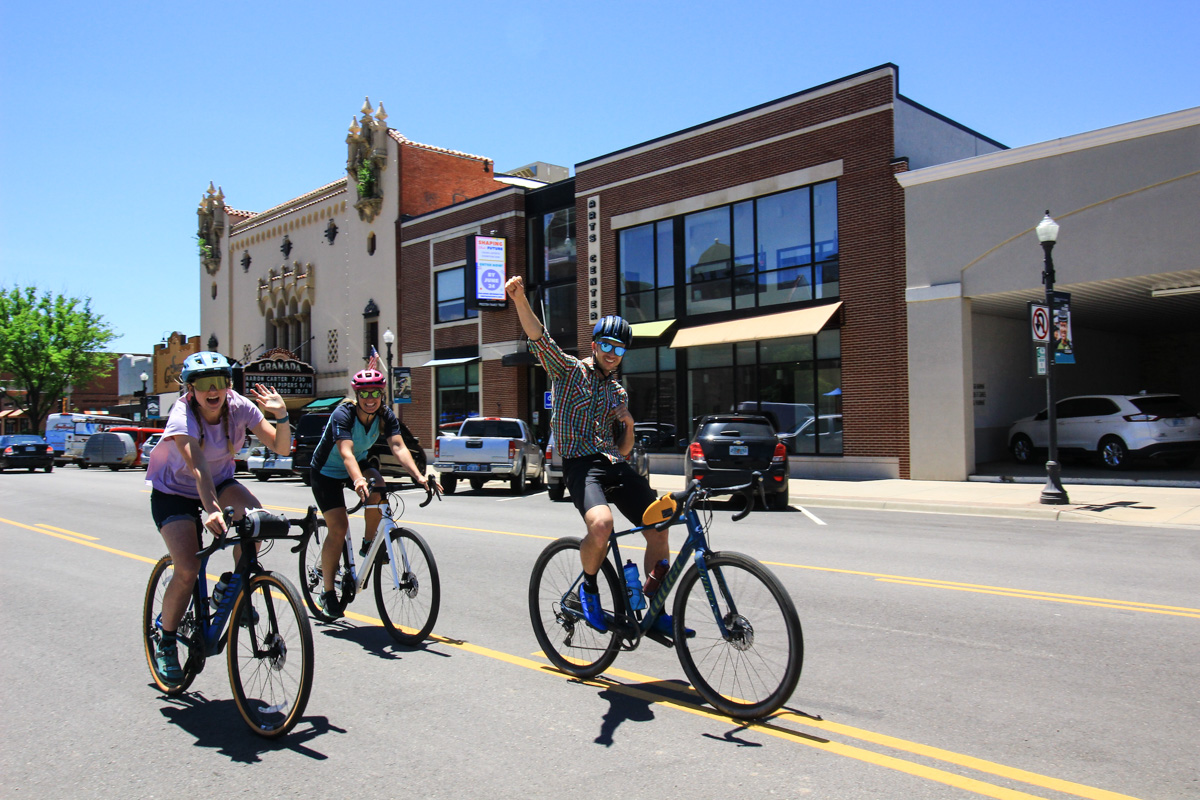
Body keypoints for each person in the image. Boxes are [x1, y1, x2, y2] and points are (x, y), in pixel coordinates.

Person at [505, 275, 674, 635]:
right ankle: (589, 589)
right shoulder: (568, 372)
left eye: (620, 349)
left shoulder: (618, 393)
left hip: (614, 465)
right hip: (581, 465)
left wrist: (627, 423)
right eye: (607, 345)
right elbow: (540, 337)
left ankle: (656, 610)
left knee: (660, 525)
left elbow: (624, 450)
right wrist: (520, 299)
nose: (613, 353)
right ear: (595, 344)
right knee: (601, 525)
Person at [146, 351, 293, 685]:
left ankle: (231, 590)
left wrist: (281, 416)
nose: (211, 390)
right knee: (187, 568)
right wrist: (211, 509)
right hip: (174, 491)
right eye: (202, 384)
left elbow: (281, 448)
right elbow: (197, 467)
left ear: (228, 384)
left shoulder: (239, 406)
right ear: (190, 389)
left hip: (221, 482)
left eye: (219, 382)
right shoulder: (182, 414)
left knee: (256, 522)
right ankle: (166, 641)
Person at [308, 368, 437, 618]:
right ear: (357, 395)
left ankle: (369, 545)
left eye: (375, 393)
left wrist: (419, 476)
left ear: (382, 394)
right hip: (326, 472)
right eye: (365, 393)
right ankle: (327, 593)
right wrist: (357, 479)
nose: (370, 398)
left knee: (378, 485)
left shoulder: (385, 415)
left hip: (358, 463)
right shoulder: (342, 414)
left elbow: (398, 446)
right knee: (339, 527)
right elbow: (345, 452)